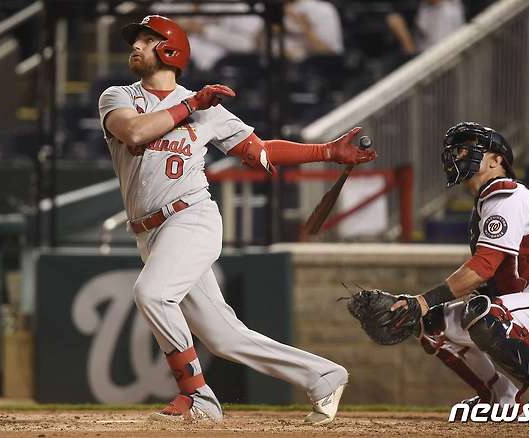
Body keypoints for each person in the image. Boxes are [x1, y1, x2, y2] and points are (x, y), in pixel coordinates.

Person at [98, 15, 377, 423]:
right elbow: (135, 133)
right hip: (149, 231)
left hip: (191, 218)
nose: (135, 47)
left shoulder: (208, 111)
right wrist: (192, 105)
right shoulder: (119, 96)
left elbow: (260, 152)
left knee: (153, 295)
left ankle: (198, 399)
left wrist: (328, 153)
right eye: (136, 40)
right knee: (224, 337)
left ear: (170, 49)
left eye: (146, 39)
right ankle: (324, 375)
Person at [385, 122, 529, 407]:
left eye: (467, 148)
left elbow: (483, 267)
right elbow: (495, 280)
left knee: (485, 314)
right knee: (433, 325)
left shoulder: (508, 195)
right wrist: (426, 310)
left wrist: (423, 300)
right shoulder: (486, 205)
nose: (457, 155)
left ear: (497, 159)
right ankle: (499, 396)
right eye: (456, 150)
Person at [387, 0, 465, 56]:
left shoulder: (451, 7)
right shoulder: (422, 7)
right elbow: (394, 20)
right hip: (425, 59)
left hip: (449, 56)